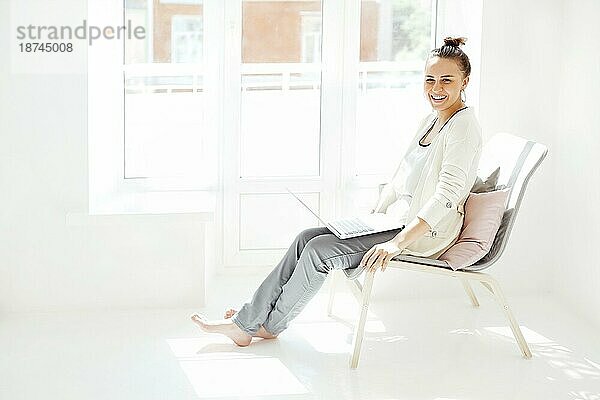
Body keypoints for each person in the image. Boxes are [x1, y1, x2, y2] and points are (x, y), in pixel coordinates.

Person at [191, 36, 482, 346]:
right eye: (430, 79)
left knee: (319, 252)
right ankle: (251, 318)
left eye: (446, 80)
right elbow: (403, 179)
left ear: (465, 81)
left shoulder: (463, 127)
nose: (436, 88)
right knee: (306, 237)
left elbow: (447, 196)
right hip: (393, 222)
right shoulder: (432, 120)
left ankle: (264, 326)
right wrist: (372, 218)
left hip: (420, 234)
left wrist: (397, 242)